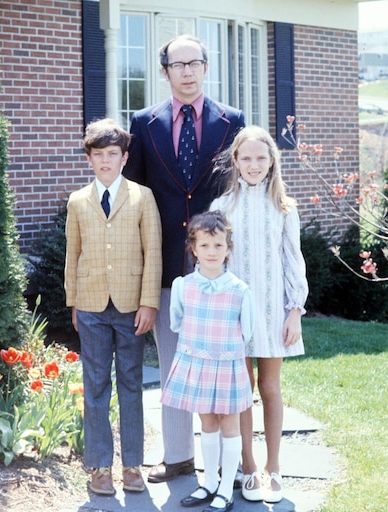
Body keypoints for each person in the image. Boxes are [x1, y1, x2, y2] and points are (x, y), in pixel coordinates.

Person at [123, 33, 245, 484]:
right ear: (165, 72)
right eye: (178, 65)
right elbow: (135, 195)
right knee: (172, 362)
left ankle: (223, 461)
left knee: (219, 365)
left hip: (217, 267)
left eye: (195, 63)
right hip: (165, 263)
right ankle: (177, 457)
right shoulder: (143, 123)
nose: (188, 72)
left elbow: (239, 189)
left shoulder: (232, 121)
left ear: (206, 67)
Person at [210, 125, 309, 504]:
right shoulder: (222, 208)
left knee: (270, 388)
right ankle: (248, 468)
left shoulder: (284, 207)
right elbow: (214, 262)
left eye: (261, 158)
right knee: (241, 392)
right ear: (235, 161)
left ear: (272, 162)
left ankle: (274, 466)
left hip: (273, 310)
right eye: (246, 158)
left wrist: (295, 311)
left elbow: (292, 261)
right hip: (235, 314)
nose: (254, 164)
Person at [64, 118, 163, 496]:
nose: (105, 161)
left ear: (124, 157)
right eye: (98, 155)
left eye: (112, 154)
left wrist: (148, 302)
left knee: (131, 384)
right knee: (95, 385)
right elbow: (73, 254)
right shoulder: (78, 201)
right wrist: (74, 302)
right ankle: (100, 467)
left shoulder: (142, 197)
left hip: (130, 307)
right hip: (90, 305)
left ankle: (133, 465)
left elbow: (152, 253)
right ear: (89, 159)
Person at [160, 211, 254, 512]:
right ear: (193, 247)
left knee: (230, 425)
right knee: (207, 423)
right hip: (198, 363)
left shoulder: (239, 290)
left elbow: (247, 331)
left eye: (218, 245)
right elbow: (176, 322)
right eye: (204, 246)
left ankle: (226, 487)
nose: (211, 252)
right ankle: (209, 482)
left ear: (228, 248)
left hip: (227, 365)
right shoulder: (182, 286)